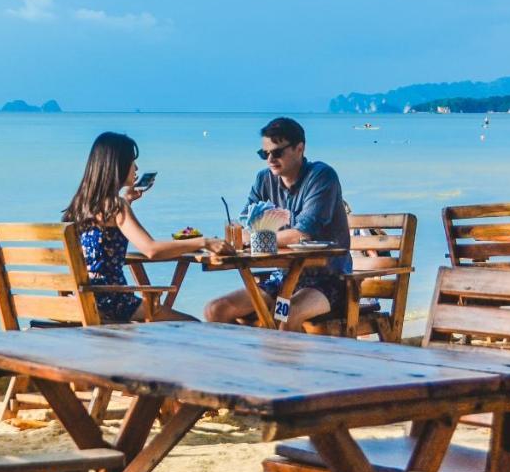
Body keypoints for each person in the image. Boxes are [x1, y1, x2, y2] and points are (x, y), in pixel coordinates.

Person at [204, 117, 351, 330]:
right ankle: (244, 362)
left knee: (284, 314)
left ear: (299, 149)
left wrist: (253, 239)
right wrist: (249, 236)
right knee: (216, 310)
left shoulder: (321, 177)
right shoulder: (264, 180)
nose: (270, 159)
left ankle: (280, 362)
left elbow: (302, 233)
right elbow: (245, 226)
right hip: (281, 278)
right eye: (264, 154)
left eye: (277, 152)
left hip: (328, 280)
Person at [63, 132, 227, 321]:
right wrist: (204, 242)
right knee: (194, 325)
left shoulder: (79, 207)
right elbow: (151, 249)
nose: (137, 167)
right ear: (118, 165)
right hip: (113, 304)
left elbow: (103, 242)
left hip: (82, 302)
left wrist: (127, 201)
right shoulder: (116, 207)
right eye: (133, 161)